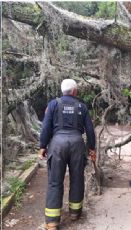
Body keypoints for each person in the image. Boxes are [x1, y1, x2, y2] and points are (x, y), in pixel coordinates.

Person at [38, 79, 96, 230]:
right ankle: (75, 213)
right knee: (77, 179)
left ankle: (52, 222)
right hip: (77, 144)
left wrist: (43, 146)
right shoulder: (82, 107)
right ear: (75, 91)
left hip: (57, 145)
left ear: (62, 91)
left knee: (54, 181)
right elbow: (90, 129)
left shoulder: (53, 104)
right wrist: (92, 148)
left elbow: (46, 127)